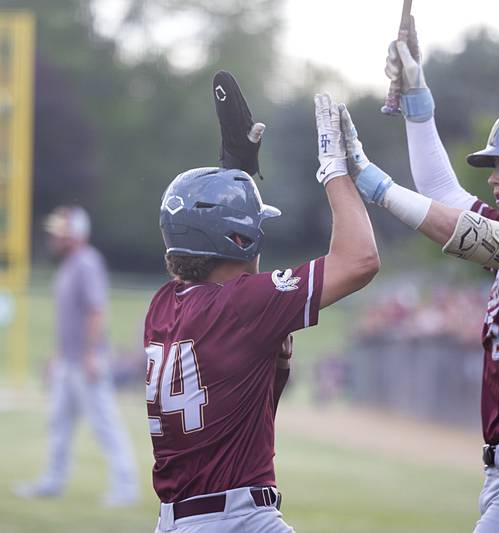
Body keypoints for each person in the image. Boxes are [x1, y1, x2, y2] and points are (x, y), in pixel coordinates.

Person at [337, 29, 499, 532]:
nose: (494, 178)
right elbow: (442, 190)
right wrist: (418, 101)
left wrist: (376, 185)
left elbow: (468, 232)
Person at [145, 71, 379, 532]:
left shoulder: (163, 306)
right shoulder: (241, 306)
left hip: (182, 520)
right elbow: (360, 259)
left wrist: (235, 169)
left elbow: (213, 253)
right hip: (234, 519)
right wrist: (334, 168)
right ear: (240, 239)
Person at [14, 205, 139, 506]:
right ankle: (53, 480)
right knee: (59, 424)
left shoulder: (86, 262)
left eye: (61, 231)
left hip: (87, 362)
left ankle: (125, 487)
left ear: (76, 234)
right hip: (68, 362)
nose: (55, 237)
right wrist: (58, 356)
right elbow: (69, 319)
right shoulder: (69, 264)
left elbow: (96, 311)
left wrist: (89, 356)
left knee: (104, 424)